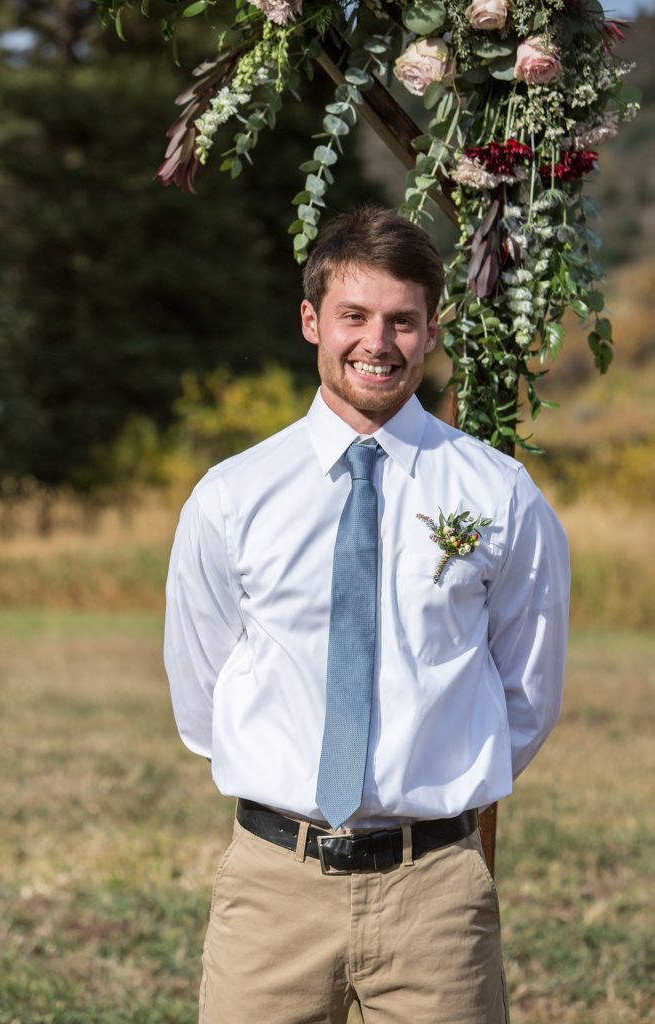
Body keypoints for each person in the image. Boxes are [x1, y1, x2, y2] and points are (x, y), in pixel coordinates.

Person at [164, 205, 570, 1024]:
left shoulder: (496, 495)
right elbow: (203, 687)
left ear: (428, 331)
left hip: (435, 893)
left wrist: (434, 785)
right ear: (311, 320)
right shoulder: (234, 497)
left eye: (402, 322)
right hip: (273, 885)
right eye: (353, 316)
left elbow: (526, 690)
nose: (377, 343)